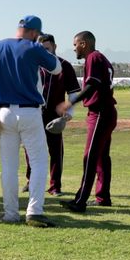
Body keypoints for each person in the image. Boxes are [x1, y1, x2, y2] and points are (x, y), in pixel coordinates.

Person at [0, 15, 62, 227]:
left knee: (8, 166)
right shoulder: (34, 48)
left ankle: (10, 213)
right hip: (29, 111)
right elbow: (57, 68)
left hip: (3, 111)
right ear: (35, 33)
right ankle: (34, 211)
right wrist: (44, 49)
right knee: (39, 162)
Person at [58, 30, 117, 213]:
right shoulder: (102, 58)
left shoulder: (93, 57)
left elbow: (92, 84)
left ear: (83, 43)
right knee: (101, 157)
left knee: (90, 156)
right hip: (106, 112)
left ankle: (80, 201)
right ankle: (103, 197)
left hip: (100, 112)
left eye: (75, 44)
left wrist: (71, 102)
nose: (74, 48)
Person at [23, 33, 81, 195]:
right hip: (34, 113)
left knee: (55, 150)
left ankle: (55, 186)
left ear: (54, 47)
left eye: (47, 49)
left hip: (55, 114)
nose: (44, 53)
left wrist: (70, 111)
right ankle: (31, 181)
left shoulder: (64, 66)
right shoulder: (32, 65)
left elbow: (74, 92)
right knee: (30, 148)